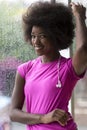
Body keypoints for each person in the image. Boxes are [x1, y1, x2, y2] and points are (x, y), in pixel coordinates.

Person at [9, 1, 87, 130]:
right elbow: (13, 114)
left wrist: (78, 15)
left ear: (56, 36)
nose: (36, 41)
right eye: (33, 36)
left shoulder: (67, 68)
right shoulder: (25, 69)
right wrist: (43, 118)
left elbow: (83, 49)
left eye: (42, 36)